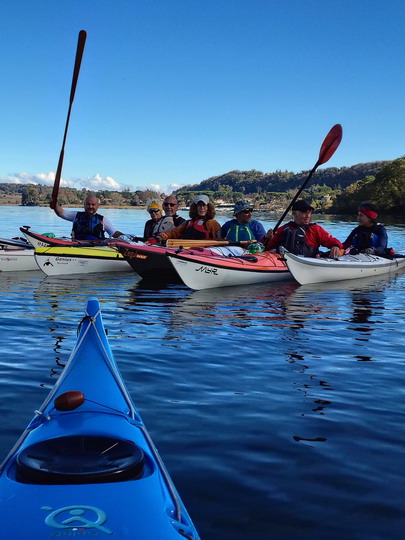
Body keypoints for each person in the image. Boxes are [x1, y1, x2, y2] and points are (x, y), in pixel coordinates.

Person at [264, 199, 343, 258]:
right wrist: (266, 237)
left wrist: (335, 246)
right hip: (283, 264)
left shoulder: (315, 229)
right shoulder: (283, 229)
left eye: (309, 212)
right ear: (294, 213)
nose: (308, 216)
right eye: (304, 212)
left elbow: (335, 242)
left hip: (308, 264)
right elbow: (265, 247)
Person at [51, 194, 123, 240]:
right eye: (88, 204)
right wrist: (55, 204)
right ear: (84, 205)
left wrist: (126, 237)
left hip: (97, 248)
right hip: (76, 246)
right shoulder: (76, 215)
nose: (90, 206)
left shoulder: (103, 220)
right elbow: (61, 213)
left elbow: (114, 233)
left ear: (97, 206)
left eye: (93, 204)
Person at [155, 194, 221, 242]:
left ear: (208, 208)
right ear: (195, 208)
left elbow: (220, 239)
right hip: (187, 251)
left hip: (204, 252)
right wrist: (163, 235)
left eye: (204, 205)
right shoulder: (188, 223)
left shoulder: (212, 223)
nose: (202, 208)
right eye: (199, 205)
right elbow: (174, 233)